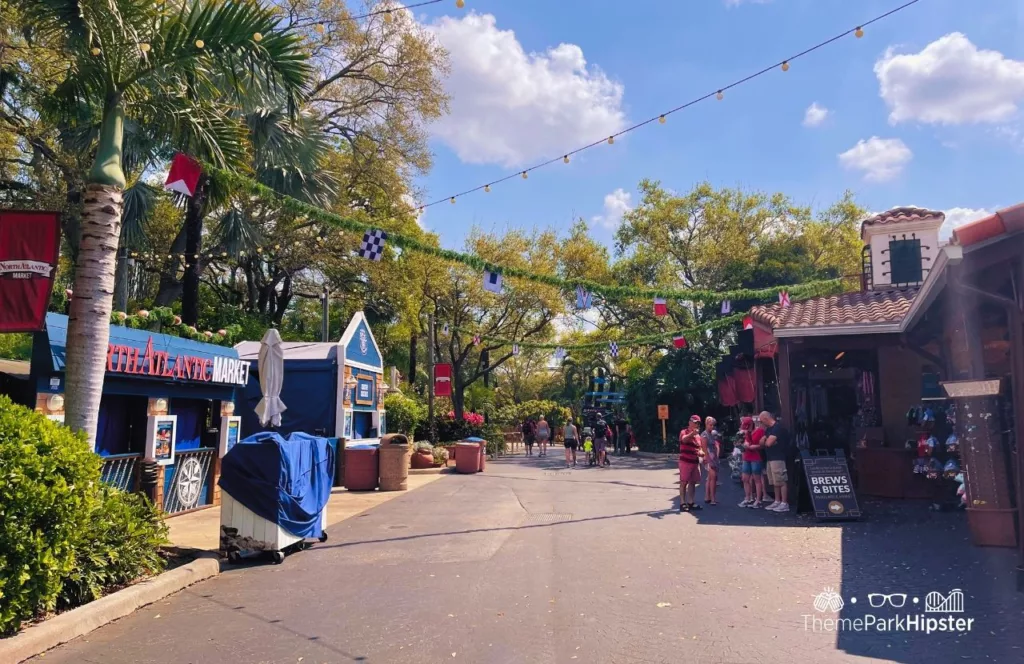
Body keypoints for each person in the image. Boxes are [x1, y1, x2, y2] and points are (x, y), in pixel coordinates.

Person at [759, 411, 791, 512]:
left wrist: (766, 440)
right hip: (770, 457)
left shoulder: (777, 428)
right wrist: (766, 440)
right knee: (774, 481)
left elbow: (768, 443)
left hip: (778, 457)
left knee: (781, 480)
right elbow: (761, 443)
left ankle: (784, 503)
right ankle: (777, 501)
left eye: (761, 421)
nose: (761, 423)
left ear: (765, 418)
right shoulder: (768, 429)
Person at [737, 416, 765, 507]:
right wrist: (742, 443)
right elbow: (739, 442)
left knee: (757, 479)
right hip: (747, 456)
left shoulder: (759, 431)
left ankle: (758, 499)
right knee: (745, 478)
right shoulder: (744, 432)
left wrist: (753, 446)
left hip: (756, 457)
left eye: (747, 426)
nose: (746, 428)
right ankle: (747, 498)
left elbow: (762, 445)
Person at [678, 415, 704, 512]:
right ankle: (682, 503)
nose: (696, 424)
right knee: (683, 482)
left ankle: (691, 502)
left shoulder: (698, 436)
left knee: (693, 482)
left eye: (698, 423)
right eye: (695, 422)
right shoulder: (684, 432)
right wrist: (692, 434)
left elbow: (699, 447)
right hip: (685, 462)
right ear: (690, 422)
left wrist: (701, 452)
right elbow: (684, 439)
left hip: (695, 462)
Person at [701, 416, 722, 505]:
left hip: (714, 457)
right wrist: (708, 460)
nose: (712, 427)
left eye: (713, 425)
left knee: (711, 478)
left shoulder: (713, 434)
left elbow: (716, 444)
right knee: (712, 478)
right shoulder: (704, 435)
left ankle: (707, 497)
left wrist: (717, 455)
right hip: (708, 458)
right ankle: (712, 499)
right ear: (706, 424)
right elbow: (704, 448)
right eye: (710, 425)